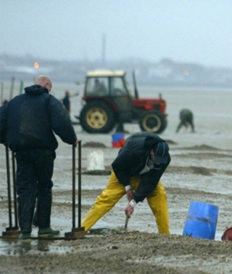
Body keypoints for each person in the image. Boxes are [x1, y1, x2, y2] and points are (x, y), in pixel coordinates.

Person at [0, 75, 78, 239]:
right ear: (47, 85)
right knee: (44, 186)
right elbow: (61, 123)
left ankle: (25, 230)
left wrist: (6, 141)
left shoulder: (14, 102)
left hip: (21, 151)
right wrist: (72, 140)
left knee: (24, 189)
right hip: (44, 152)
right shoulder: (49, 101)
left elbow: (1, 122)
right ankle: (43, 227)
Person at [81, 132, 171, 234]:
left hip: (144, 176)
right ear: (151, 152)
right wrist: (127, 187)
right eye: (157, 159)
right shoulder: (133, 150)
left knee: (160, 194)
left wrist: (133, 203)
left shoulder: (165, 159)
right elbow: (117, 166)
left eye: (161, 161)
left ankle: (165, 234)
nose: (159, 163)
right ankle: (82, 228)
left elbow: (150, 182)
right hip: (123, 172)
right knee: (107, 198)